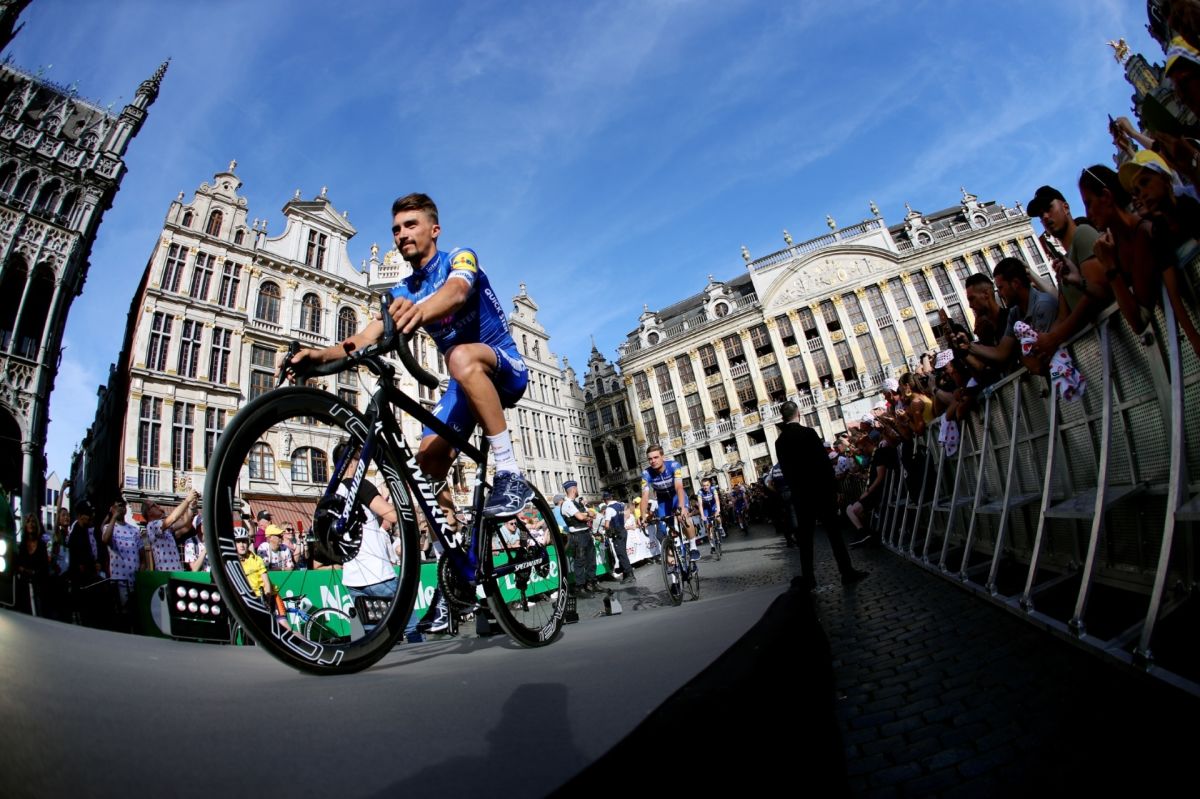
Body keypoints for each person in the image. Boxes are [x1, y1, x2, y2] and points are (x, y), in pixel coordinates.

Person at [284, 193, 532, 524]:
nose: (402, 234)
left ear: (434, 230)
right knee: (426, 462)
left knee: (459, 356)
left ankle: (509, 472)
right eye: (396, 229)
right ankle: (452, 535)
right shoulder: (402, 290)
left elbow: (457, 292)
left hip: (503, 367)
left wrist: (417, 312)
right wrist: (317, 358)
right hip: (462, 382)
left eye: (411, 225)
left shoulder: (459, 257)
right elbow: (364, 338)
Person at [774, 401, 868, 590]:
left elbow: (786, 470)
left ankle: (809, 578)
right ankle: (846, 571)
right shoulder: (809, 433)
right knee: (834, 533)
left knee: (805, 539)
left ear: (783, 417)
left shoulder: (780, 441)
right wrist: (835, 489)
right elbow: (824, 464)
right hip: (820, 491)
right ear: (799, 414)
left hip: (801, 495)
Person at [1024, 185, 1109, 361]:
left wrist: (1054, 338)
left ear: (1066, 207)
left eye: (1048, 208)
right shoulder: (1064, 262)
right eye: (1040, 215)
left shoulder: (1082, 234)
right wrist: (1039, 346)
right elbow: (1063, 316)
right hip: (1100, 350)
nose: (1044, 217)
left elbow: (1096, 294)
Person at [955, 258, 1058, 375]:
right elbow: (1001, 352)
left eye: (1001, 288)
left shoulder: (1043, 304)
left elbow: (1043, 354)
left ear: (1015, 284)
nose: (999, 293)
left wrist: (1024, 358)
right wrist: (968, 346)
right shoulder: (1014, 313)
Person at [639, 445, 697, 561]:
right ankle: (672, 558)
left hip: (676, 496)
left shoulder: (674, 465)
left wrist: (682, 507)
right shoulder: (646, 473)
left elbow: (679, 487)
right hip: (663, 501)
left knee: (683, 518)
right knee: (661, 532)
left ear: (663, 457)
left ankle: (693, 547)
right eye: (650, 459)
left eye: (656, 457)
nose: (653, 461)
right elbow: (644, 496)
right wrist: (643, 516)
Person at [100, 497, 145, 613]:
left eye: (123, 505)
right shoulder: (108, 527)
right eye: (118, 506)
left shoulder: (135, 530)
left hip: (134, 581)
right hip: (118, 580)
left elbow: (143, 557)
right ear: (112, 508)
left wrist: (140, 575)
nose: (121, 508)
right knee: (122, 612)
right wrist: (114, 517)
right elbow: (105, 539)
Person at [561, 480, 599, 594]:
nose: (577, 490)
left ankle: (591, 583)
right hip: (578, 536)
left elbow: (593, 514)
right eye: (576, 488)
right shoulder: (567, 504)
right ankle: (580, 587)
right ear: (573, 489)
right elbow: (581, 517)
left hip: (586, 533)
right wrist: (587, 516)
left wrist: (587, 515)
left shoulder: (577, 503)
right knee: (580, 561)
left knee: (591, 559)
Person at [143, 491, 196, 572]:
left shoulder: (165, 528)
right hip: (165, 573)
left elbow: (185, 523)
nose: (158, 507)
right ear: (149, 512)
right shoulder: (152, 525)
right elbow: (173, 518)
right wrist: (187, 500)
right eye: (154, 505)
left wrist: (191, 507)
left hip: (177, 572)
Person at [15, 514, 49, 615]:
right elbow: (18, 564)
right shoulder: (22, 545)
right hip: (24, 587)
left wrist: (32, 572)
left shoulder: (41, 545)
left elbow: (44, 567)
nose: (31, 524)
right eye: (28, 522)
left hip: (38, 587)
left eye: (33, 521)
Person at [602, 491, 635, 582]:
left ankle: (629, 574)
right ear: (611, 497)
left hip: (616, 533)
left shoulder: (609, 509)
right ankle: (625, 573)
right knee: (622, 552)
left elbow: (607, 525)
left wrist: (607, 530)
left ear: (605, 500)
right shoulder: (621, 505)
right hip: (623, 530)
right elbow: (626, 516)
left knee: (621, 554)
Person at [233, 527, 271, 600]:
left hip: (260, 597)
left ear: (248, 543)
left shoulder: (257, 559)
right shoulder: (230, 561)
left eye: (244, 541)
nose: (241, 545)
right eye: (238, 542)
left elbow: (266, 583)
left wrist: (267, 597)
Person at [697, 478, 723, 544]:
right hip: (706, 507)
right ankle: (712, 543)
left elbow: (717, 500)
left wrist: (718, 509)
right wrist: (702, 515)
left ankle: (720, 526)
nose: (705, 487)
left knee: (717, 517)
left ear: (710, 484)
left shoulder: (713, 489)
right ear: (702, 486)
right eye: (704, 486)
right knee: (707, 524)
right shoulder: (700, 492)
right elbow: (700, 505)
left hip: (713, 504)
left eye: (707, 485)